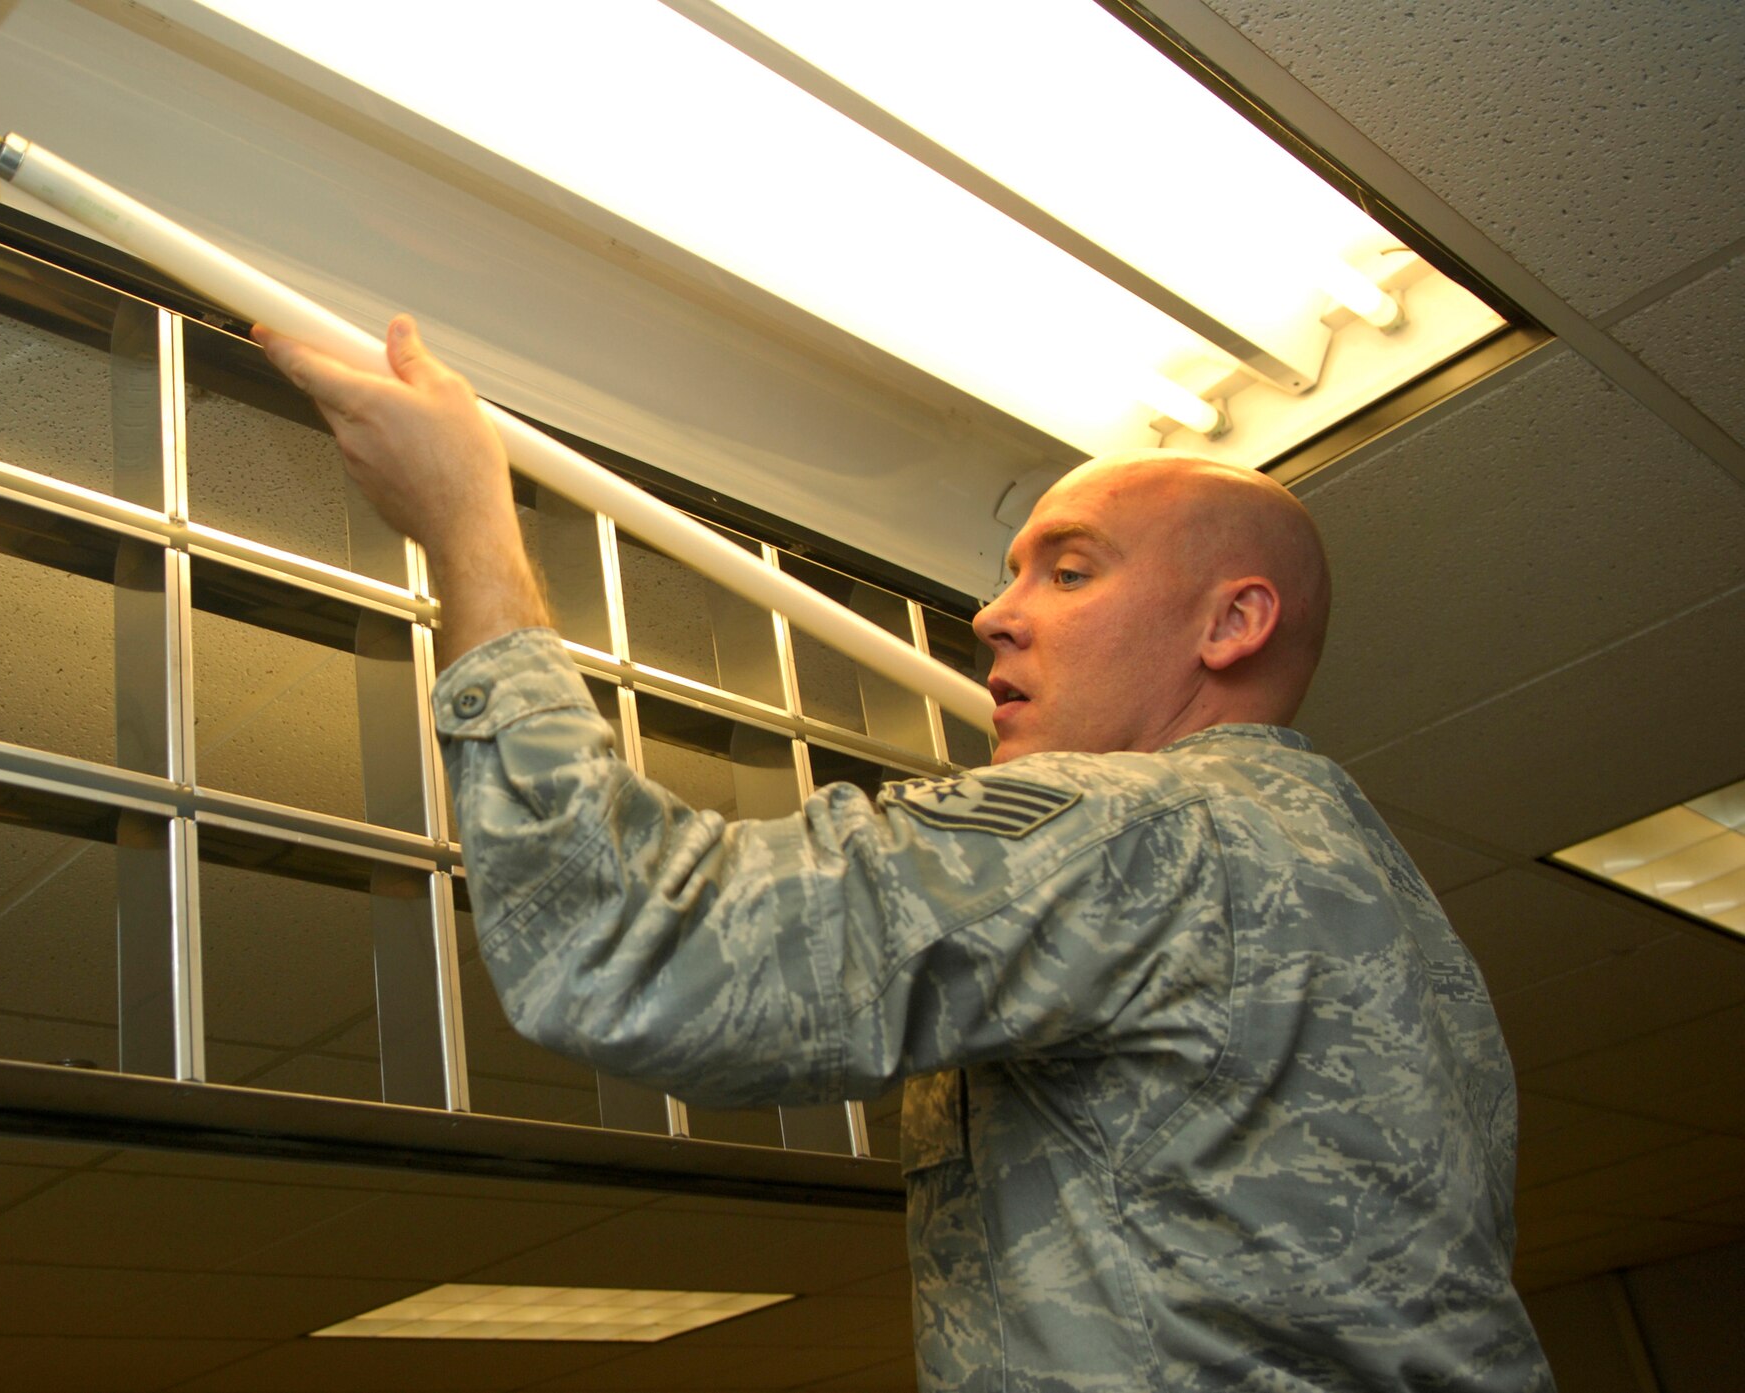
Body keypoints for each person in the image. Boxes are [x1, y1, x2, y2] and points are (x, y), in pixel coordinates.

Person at [257, 315, 1553, 1392]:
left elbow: (623, 946)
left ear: (1233, 621)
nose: (995, 613)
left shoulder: (1148, 829)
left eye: (1070, 570)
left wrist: (470, 526)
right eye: (1012, 572)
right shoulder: (1409, 941)